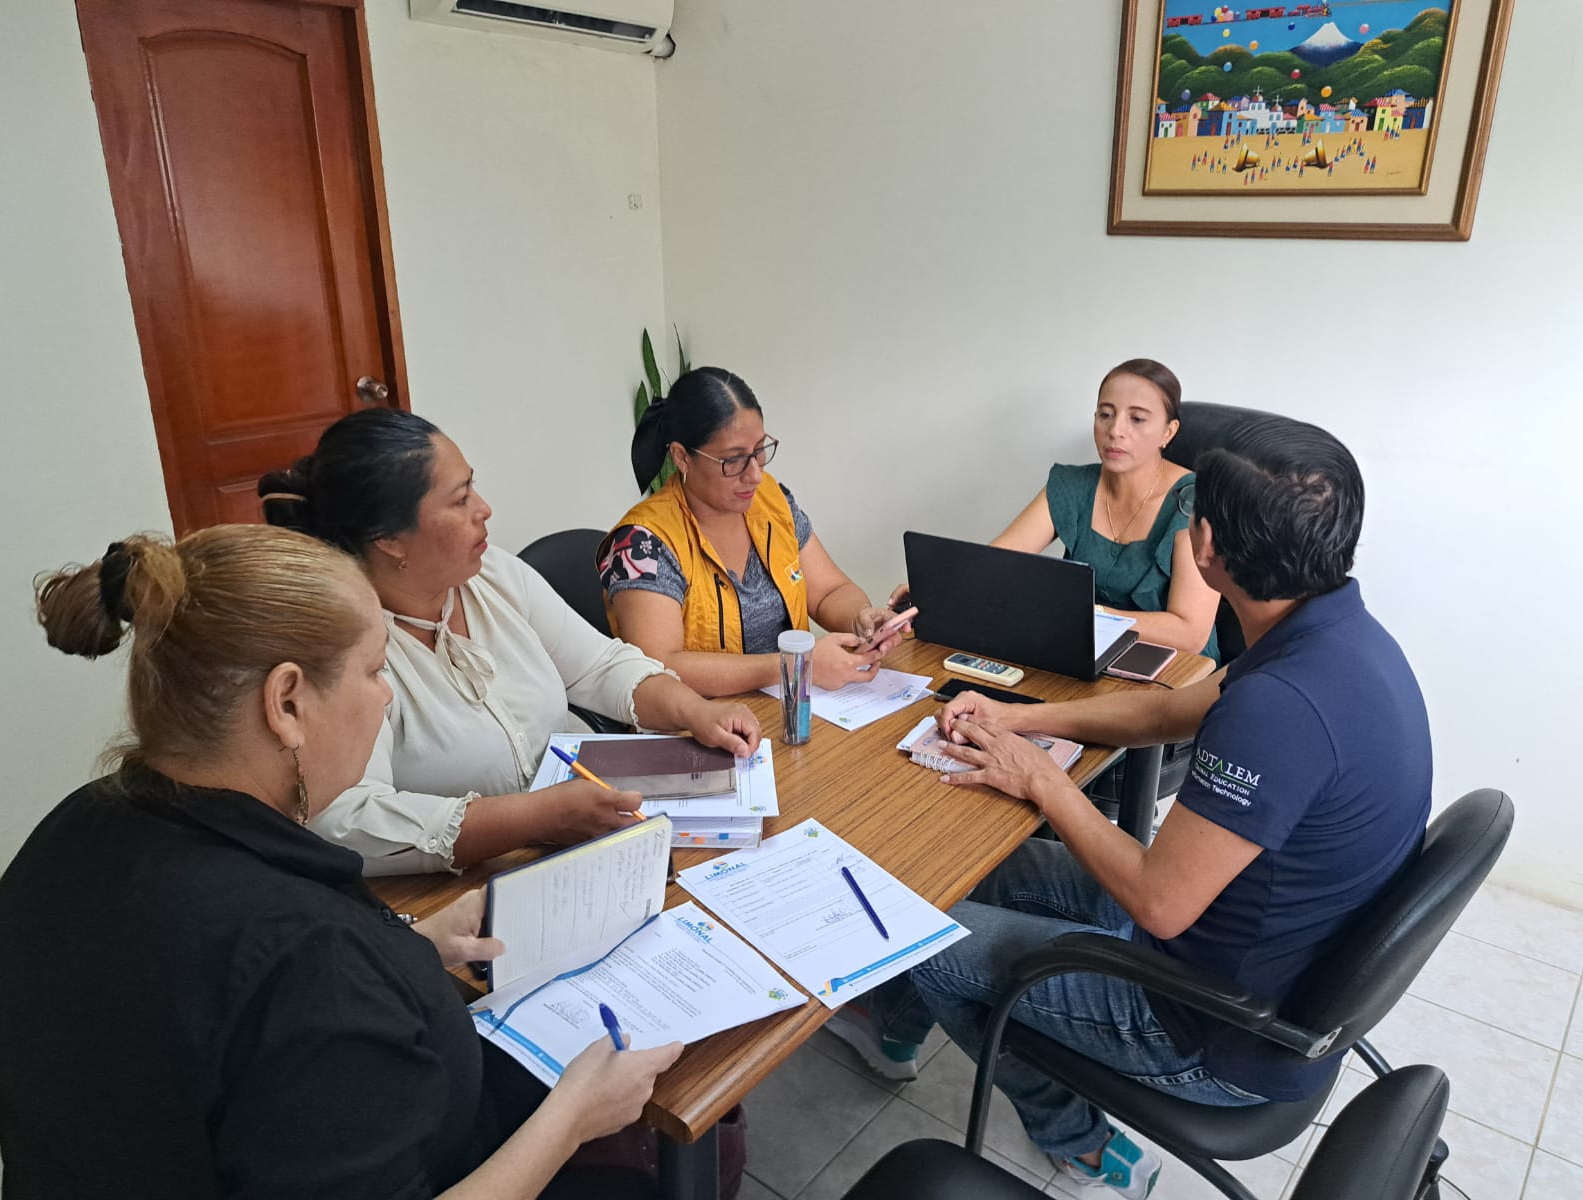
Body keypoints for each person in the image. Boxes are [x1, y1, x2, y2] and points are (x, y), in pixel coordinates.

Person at [0, 526, 683, 1200]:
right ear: (286, 703)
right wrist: (575, 1115)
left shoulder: (67, 835)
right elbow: (282, 989)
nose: (386, 695)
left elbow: (203, 1021)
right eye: (376, 670)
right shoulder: (308, 960)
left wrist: (407, 944)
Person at [827, 417, 1431, 1198]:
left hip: (1209, 1027)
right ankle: (895, 1026)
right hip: (1256, 957)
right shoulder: (1332, 635)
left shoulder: (1279, 709)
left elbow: (1159, 901)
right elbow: (1168, 709)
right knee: (973, 866)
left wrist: (1042, 781)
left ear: (1206, 546)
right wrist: (1022, 719)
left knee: (918, 936)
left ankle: (1075, 1141)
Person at [261, 408, 760, 875]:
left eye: (472, 486)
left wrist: (695, 711)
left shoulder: (492, 574)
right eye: (459, 500)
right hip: (469, 885)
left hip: (588, 839)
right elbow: (346, 819)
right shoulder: (346, 647)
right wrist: (536, 818)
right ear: (389, 539)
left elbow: (599, 665)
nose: (484, 509)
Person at [599, 366, 899, 698]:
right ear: (682, 458)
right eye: (733, 460)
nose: (755, 474)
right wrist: (795, 666)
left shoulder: (771, 501)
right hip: (700, 720)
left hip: (786, 708)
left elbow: (829, 591)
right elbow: (661, 667)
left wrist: (860, 620)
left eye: (759, 451)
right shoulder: (643, 542)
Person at [896, 359, 1219, 662]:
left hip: (1173, 666)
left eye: (1137, 419)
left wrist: (1087, 616)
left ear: (1168, 431)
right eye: (1106, 414)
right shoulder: (1071, 484)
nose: (1115, 430)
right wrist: (936, 589)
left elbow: (1189, 632)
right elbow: (994, 565)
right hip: (1086, 653)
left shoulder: (1195, 500)